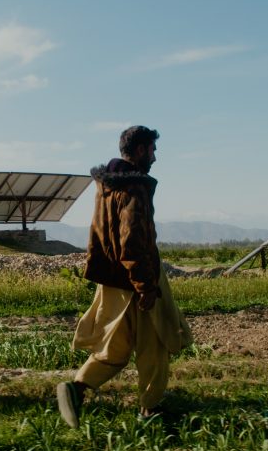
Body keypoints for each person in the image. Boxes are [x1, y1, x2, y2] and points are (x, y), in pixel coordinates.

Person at [56, 125, 192, 428]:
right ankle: (150, 410)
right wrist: (145, 286)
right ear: (140, 150)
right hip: (136, 279)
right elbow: (132, 239)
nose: (155, 157)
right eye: (153, 150)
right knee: (155, 343)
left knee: (115, 346)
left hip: (112, 280)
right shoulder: (134, 188)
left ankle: (77, 389)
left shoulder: (106, 186)